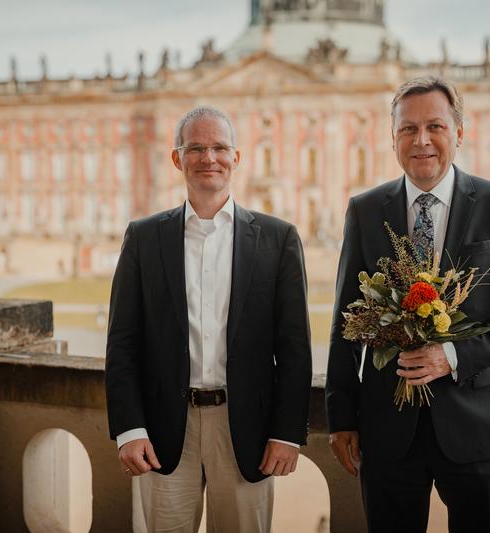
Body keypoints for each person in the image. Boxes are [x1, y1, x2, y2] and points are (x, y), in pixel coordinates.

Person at [326, 76, 490, 533]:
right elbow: (345, 322)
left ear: (459, 133)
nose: (421, 140)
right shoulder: (365, 210)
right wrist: (341, 416)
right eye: (408, 129)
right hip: (387, 432)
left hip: (477, 428)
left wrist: (451, 356)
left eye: (435, 126)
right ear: (393, 140)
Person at [106, 106, 312, 532]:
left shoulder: (278, 238)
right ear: (177, 158)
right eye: (195, 148)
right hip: (163, 431)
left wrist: (287, 432)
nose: (208, 158)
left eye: (219, 147)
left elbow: (294, 347)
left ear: (236, 158)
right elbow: (122, 343)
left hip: (247, 430)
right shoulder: (144, 238)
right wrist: (128, 428)